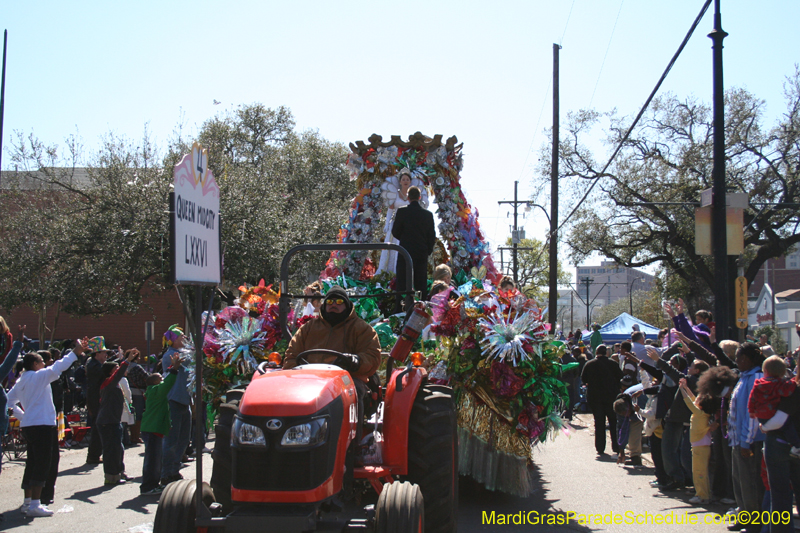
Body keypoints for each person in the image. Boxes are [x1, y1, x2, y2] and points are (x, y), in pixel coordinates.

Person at [284, 287, 381, 440]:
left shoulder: (362, 329)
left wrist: (356, 361)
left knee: (355, 392)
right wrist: (296, 372)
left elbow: (372, 357)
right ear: (324, 305)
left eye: (339, 301)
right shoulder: (308, 329)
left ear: (347, 305)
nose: (333, 304)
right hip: (309, 380)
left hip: (347, 379)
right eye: (329, 301)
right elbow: (291, 356)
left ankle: (353, 445)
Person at [7, 337, 88, 517]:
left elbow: (9, 402)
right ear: (35, 364)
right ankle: (36, 504)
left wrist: (24, 416)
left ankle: (28, 501)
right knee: (42, 463)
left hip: (29, 425)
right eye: (42, 361)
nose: (44, 364)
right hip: (42, 424)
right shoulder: (39, 376)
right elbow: (58, 366)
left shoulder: (21, 381)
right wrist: (76, 352)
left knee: (32, 462)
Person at [728, 342, 766, 533]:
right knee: (739, 480)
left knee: (750, 481)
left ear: (748, 359)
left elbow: (753, 414)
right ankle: (744, 515)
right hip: (738, 439)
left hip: (750, 441)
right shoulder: (744, 377)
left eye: (739, 358)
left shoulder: (756, 378)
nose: (737, 361)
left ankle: (754, 522)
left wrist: (746, 441)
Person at [139, 352, 182, 495]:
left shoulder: (154, 390)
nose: (162, 378)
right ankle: (148, 486)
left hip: (154, 429)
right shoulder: (157, 391)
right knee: (152, 460)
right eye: (159, 378)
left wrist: (171, 367)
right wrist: (174, 369)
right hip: (152, 429)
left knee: (155, 459)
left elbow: (166, 379)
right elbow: (168, 382)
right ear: (155, 382)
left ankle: (153, 484)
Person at [96, 349, 139, 485]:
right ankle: (111, 476)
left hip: (115, 420)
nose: (119, 370)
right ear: (110, 372)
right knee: (111, 450)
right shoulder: (108, 384)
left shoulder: (114, 384)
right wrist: (127, 361)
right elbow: (118, 374)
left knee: (118, 448)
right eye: (115, 369)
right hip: (107, 421)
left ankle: (119, 473)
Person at [392, 185, 436, 305]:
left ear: (408, 197)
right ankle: (421, 310)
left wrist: (405, 239)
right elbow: (432, 236)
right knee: (421, 284)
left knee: (402, 282)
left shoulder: (402, 212)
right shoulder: (428, 215)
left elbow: (395, 231)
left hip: (405, 251)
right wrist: (427, 250)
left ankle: (400, 309)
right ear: (420, 197)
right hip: (421, 253)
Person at [160, 325, 192, 486]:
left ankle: (174, 469)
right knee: (172, 440)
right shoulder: (170, 356)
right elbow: (184, 364)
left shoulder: (185, 353)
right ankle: (166, 473)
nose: (184, 339)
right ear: (173, 340)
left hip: (185, 400)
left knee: (184, 439)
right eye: (181, 337)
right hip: (174, 400)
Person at [748, 356, 800, 454]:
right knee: (788, 426)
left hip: (762, 416)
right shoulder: (779, 384)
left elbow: (752, 398)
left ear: (765, 371)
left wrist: (751, 411)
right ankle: (796, 445)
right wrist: (793, 382)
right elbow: (786, 392)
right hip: (773, 412)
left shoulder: (758, 385)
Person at [678, 377, 717, 504]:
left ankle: (702, 495)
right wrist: (685, 388)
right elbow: (693, 399)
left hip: (700, 447)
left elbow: (688, 402)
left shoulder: (698, 413)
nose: (696, 400)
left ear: (701, 404)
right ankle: (704, 494)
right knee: (701, 471)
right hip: (700, 446)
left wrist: (681, 390)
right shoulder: (702, 413)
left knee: (699, 472)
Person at [580, 344, 623, 455]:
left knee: (599, 423)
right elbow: (620, 376)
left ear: (596, 352)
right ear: (606, 353)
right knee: (613, 422)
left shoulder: (589, 364)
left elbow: (583, 379)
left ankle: (600, 447)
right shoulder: (613, 364)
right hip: (611, 396)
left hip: (595, 397)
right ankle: (616, 446)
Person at [85, 336, 110, 464]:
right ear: (97, 353)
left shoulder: (96, 364)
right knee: (97, 427)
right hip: (95, 399)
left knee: (98, 426)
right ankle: (93, 455)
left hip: (98, 398)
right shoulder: (93, 366)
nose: (106, 354)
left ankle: (95, 454)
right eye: (104, 352)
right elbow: (105, 372)